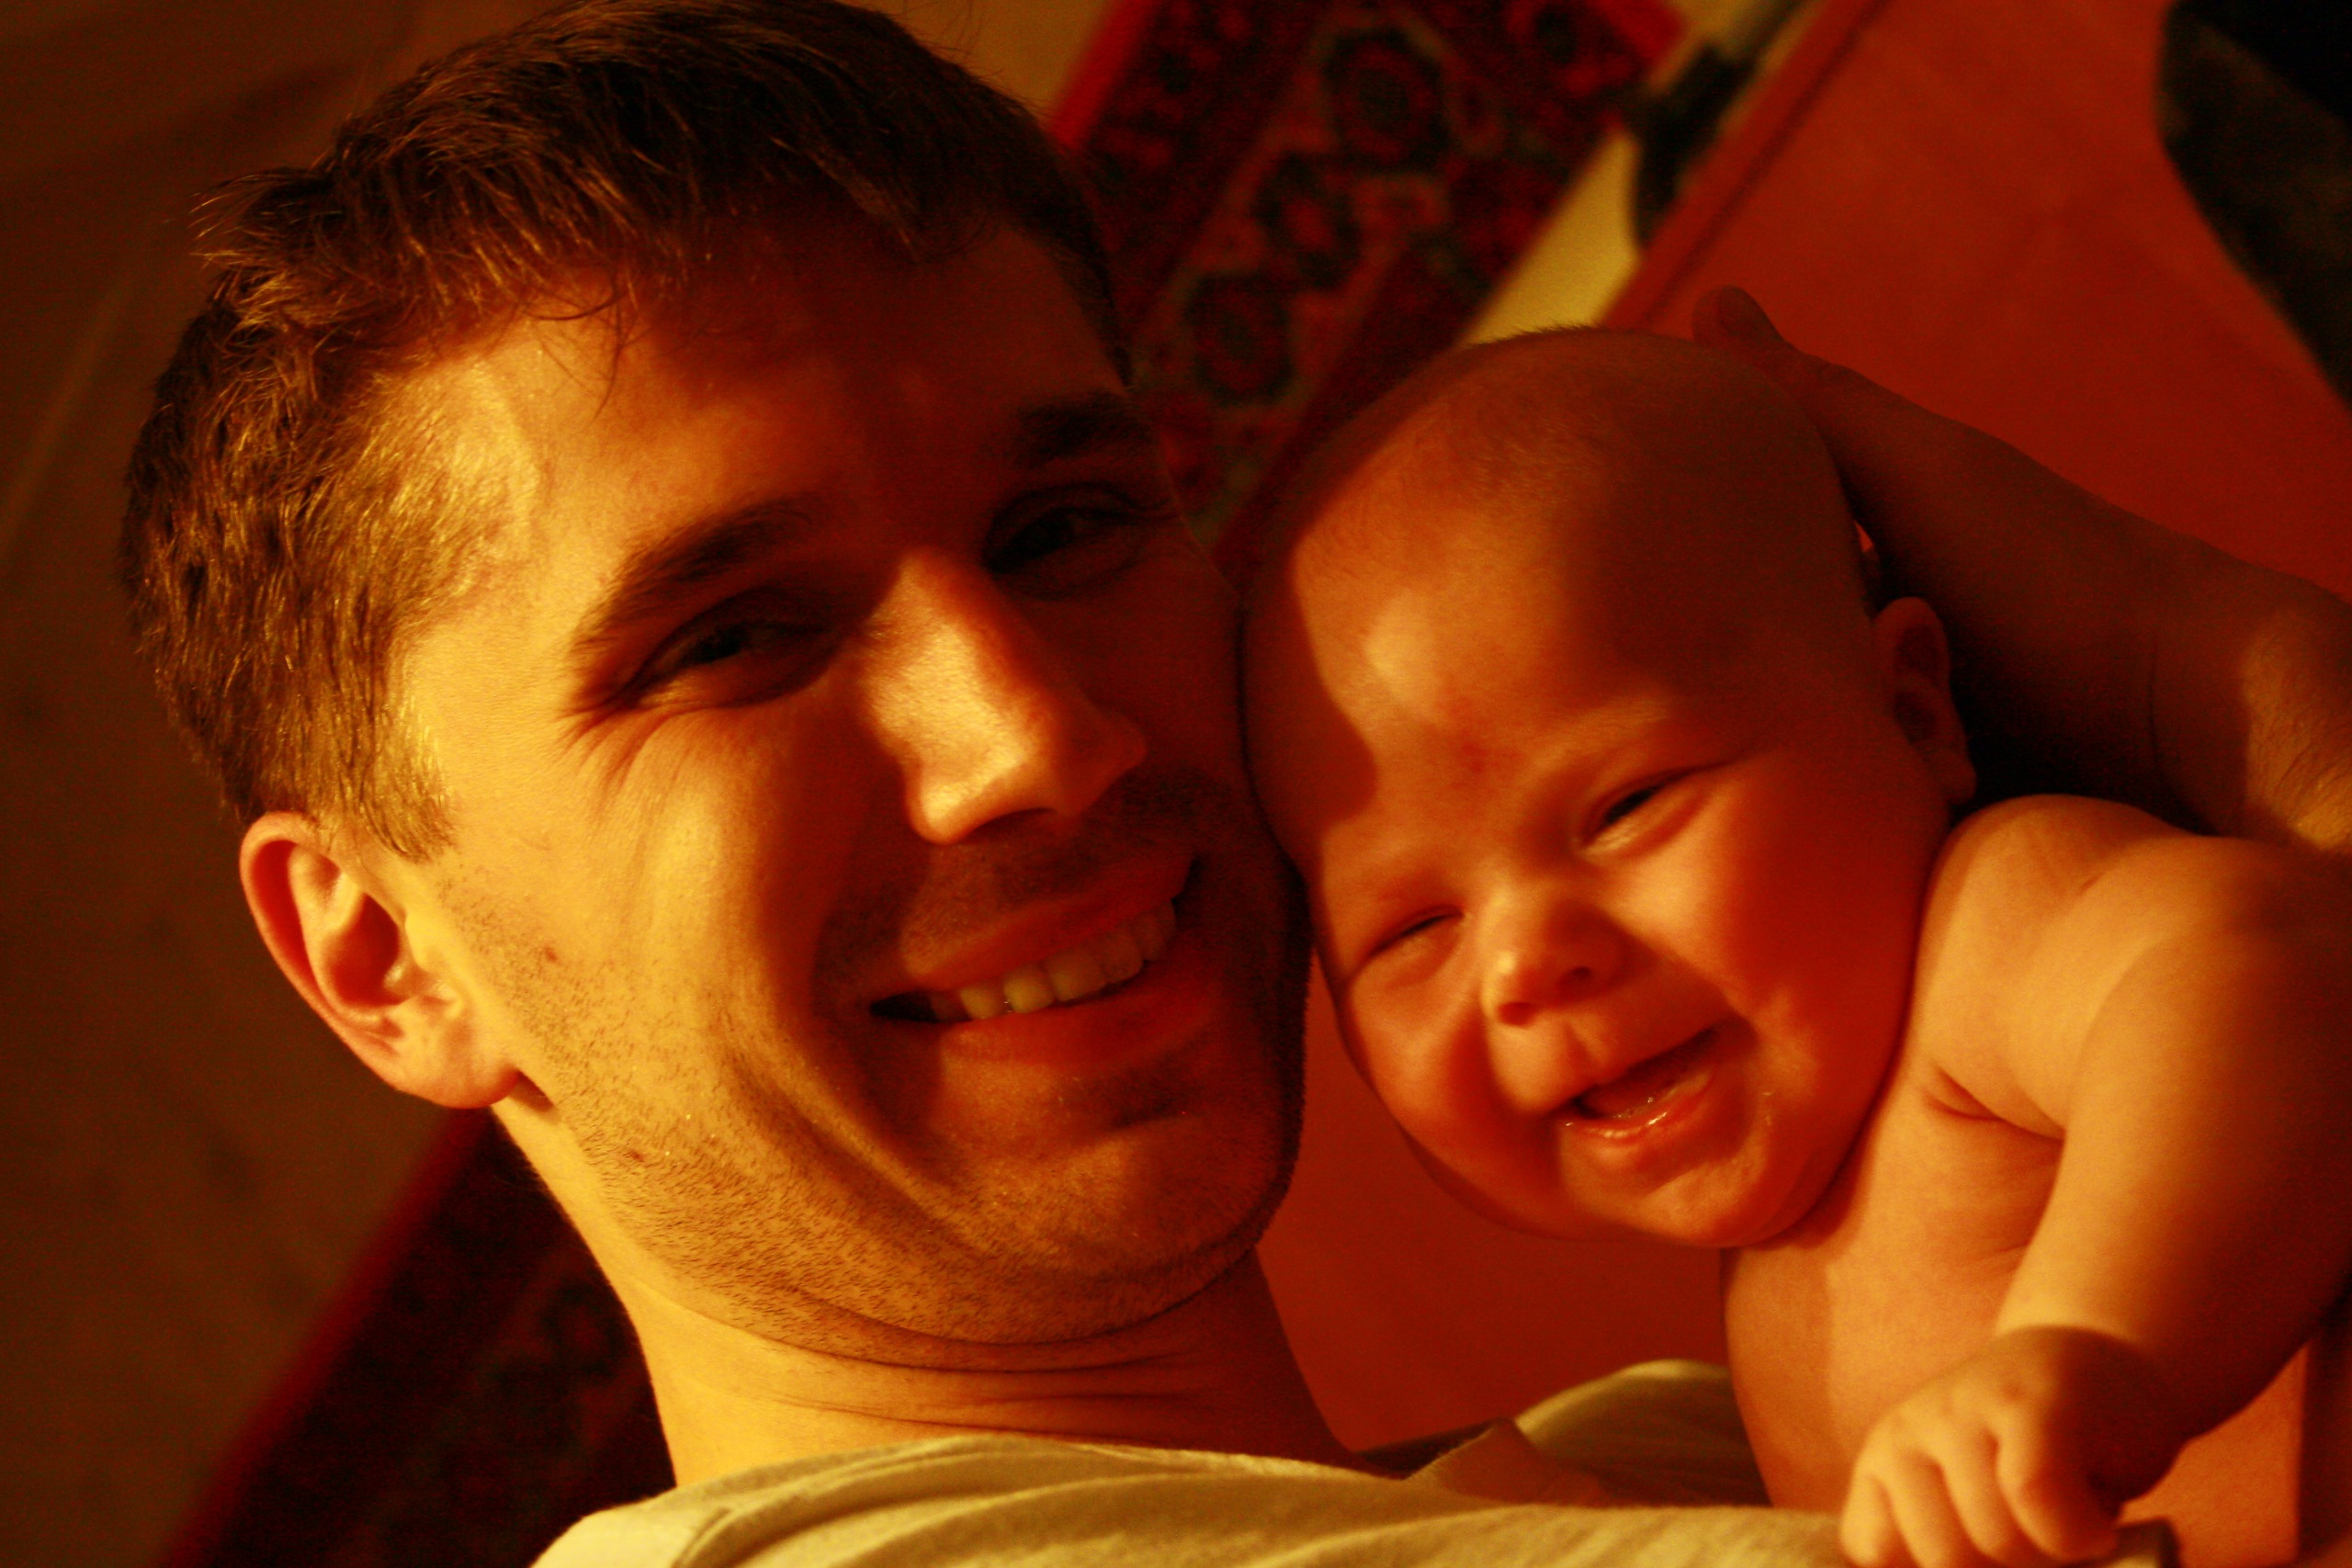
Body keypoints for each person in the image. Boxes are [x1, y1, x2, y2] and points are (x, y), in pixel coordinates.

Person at [108, 0, 2352, 1562]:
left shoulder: (1733, 1424)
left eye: (1067, 526)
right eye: (730, 638)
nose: (1036, 732)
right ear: (383, 957)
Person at [1242, 324, 2352, 1568]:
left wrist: (2098, 1343)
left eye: (1627, 806)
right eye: (1413, 929)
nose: (1524, 964)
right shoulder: (1766, 1285)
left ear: (1913, 711)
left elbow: (2264, 966)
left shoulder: (1984, 932)